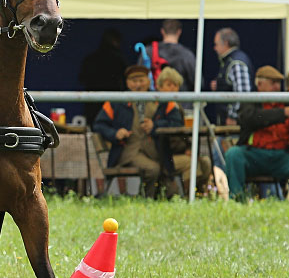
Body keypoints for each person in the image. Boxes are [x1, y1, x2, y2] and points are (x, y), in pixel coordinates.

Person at [93, 64, 183, 197]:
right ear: (128, 83)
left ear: (149, 81)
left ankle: (156, 197)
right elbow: (99, 124)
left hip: (156, 150)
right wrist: (115, 133)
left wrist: (155, 125)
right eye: (134, 81)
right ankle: (148, 200)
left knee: (169, 187)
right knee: (153, 169)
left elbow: (177, 122)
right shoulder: (117, 101)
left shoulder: (160, 100)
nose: (138, 85)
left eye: (141, 81)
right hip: (128, 151)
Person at [224, 65, 289, 201]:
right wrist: (283, 113)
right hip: (254, 155)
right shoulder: (250, 102)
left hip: (283, 156)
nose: (277, 87)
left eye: (278, 83)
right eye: (273, 83)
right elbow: (250, 119)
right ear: (259, 84)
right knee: (233, 154)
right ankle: (237, 201)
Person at [156, 67, 210, 194]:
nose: (173, 88)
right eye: (169, 85)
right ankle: (189, 196)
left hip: (177, 152)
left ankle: (200, 193)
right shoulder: (161, 106)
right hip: (165, 156)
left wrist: (189, 149)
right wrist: (185, 149)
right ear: (159, 87)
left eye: (175, 85)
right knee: (190, 163)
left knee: (206, 162)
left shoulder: (175, 105)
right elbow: (169, 137)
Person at [78, 29, 127, 126]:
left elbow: (81, 79)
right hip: (112, 103)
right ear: (115, 41)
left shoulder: (90, 59)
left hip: (93, 104)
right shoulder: (119, 59)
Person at [209, 27, 253, 125]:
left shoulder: (236, 62)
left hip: (234, 123)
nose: (214, 48)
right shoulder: (232, 60)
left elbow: (243, 94)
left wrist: (233, 116)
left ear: (226, 43)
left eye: (216, 44)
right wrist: (219, 84)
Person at [157, 20, 196, 92]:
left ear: (162, 31)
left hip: (155, 100)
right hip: (182, 101)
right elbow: (197, 82)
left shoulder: (148, 52)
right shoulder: (187, 54)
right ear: (179, 32)